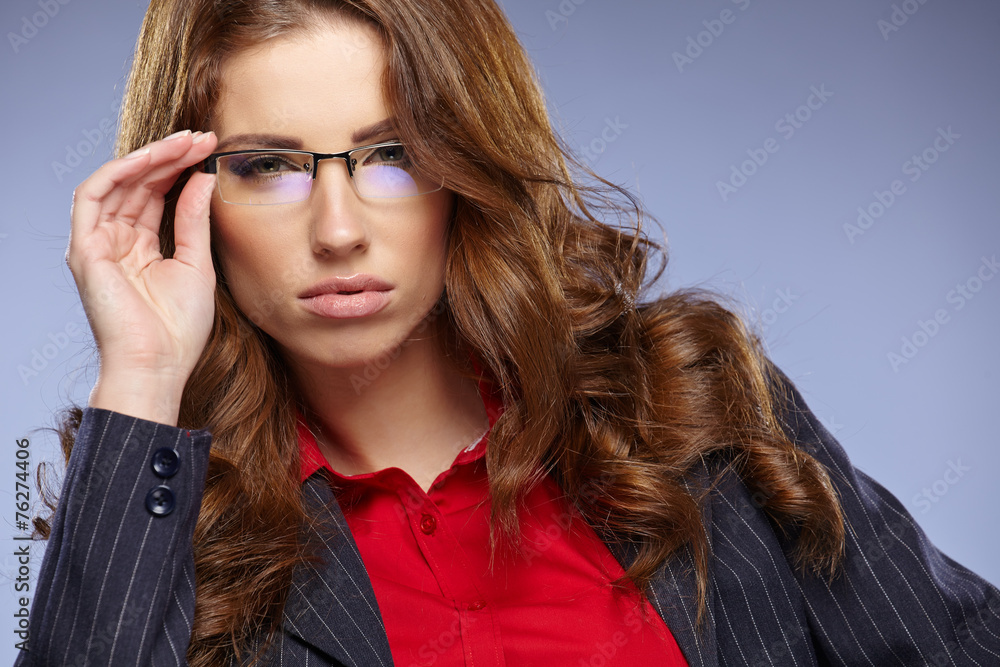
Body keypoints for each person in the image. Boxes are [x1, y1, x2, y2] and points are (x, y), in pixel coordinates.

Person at [17, 0, 1000, 665]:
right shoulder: (165, 527)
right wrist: (142, 373)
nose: (338, 230)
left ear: (468, 164)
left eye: (393, 153)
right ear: (182, 194)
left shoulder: (692, 407)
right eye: (268, 166)